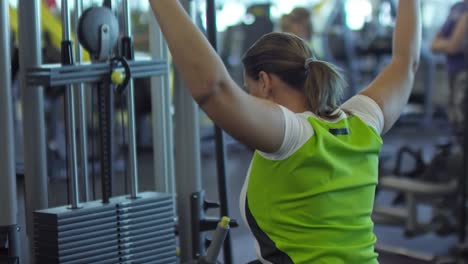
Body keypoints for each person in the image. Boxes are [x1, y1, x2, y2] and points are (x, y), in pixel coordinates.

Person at [149, 0, 421, 263]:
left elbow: (214, 89)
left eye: (248, 89)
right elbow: (406, 62)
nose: (247, 97)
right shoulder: (362, 120)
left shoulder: (294, 135)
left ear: (265, 81)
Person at [431, 0, 468, 134]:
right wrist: (450, 44)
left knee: (462, 120)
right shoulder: (456, 8)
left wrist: (446, 44)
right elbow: (433, 45)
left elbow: (454, 46)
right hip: (453, 70)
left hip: (464, 73)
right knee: (455, 119)